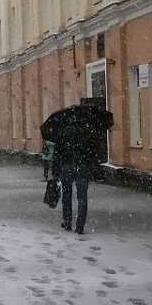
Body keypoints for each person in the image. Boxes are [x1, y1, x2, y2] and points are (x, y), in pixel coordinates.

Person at [47, 100, 114, 236]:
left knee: (66, 195)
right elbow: (93, 151)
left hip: (67, 166)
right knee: (82, 196)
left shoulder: (63, 132)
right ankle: (80, 225)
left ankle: (67, 221)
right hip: (82, 166)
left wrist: (55, 171)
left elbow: (57, 154)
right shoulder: (87, 132)